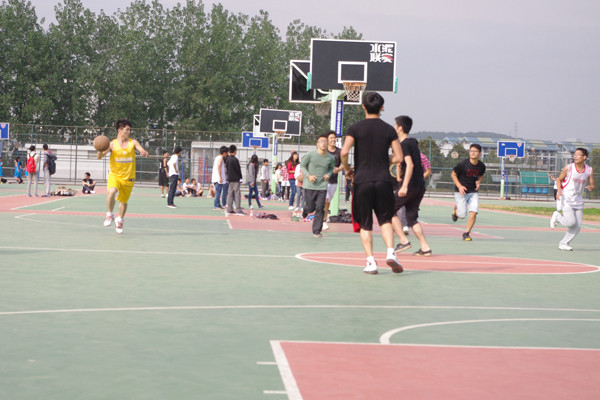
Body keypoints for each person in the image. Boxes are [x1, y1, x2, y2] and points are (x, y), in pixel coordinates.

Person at [340, 92, 404, 274]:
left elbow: (344, 152)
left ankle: (371, 262)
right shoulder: (389, 130)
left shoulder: (355, 128)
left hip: (362, 180)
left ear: (363, 107)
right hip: (383, 180)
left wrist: (347, 169)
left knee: (365, 223)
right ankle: (391, 253)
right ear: (382, 108)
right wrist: (384, 159)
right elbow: (399, 157)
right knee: (385, 219)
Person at [390, 116, 432, 256]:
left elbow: (410, 165)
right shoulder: (413, 143)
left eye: (395, 125)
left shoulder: (405, 144)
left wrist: (404, 186)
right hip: (420, 186)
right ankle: (425, 247)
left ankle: (403, 240)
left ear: (400, 128)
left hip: (411, 186)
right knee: (412, 218)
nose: (394, 128)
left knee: (388, 210)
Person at [97, 119, 148, 234]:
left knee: (123, 201)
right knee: (111, 192)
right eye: (127, 129)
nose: (129, 132)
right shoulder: (112, 144)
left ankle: (120, 220)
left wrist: (143, 152)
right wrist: (99, 150)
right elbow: (99, 157)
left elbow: (141, 149)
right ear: (119, 130)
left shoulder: (133, 142)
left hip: (128, 177)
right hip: (115, 175)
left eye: (130, 130)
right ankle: (109, 214)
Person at [550, 148, 595, 251]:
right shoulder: (569, 168)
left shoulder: (589, 170)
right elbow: (559, 179)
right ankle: (557, 216)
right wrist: (559, 191)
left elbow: (592, 184)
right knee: (571, 223)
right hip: (566, 198)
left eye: (578, 154)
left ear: (584, 157)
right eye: (574, 154)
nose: (575, 156)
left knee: (577, 227)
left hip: (578, 200)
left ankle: (563, 243)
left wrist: (591, 187)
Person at [300, 134, 335, 238]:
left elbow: (331, 168)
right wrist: (308, 175)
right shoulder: (310, 155)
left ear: (328, 143)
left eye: (325, 141)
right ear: (317, 144)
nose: (323, 143)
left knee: (320, 208)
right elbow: (302, 165)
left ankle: (316, 231)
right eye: (321, 141)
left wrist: (328, 174)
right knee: (311, 207)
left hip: (322, 186)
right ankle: (306, 210)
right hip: (309, 185)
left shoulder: (330, 157)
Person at [450, 143, 486, 241]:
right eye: (471, 151)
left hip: (473, 192)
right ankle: (455, 212)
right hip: (461, 192)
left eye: (475, 151)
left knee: (473, 213)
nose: (473, 153)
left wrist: (478, 182)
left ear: (480, 153)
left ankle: (466, 233)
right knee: (462, 215)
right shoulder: (462, 164)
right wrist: (460, 186)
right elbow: (453, 174)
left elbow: (480, 175)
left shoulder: (482, 166)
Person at [398, 152, 432, 234]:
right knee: (404, 206)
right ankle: (405, 225)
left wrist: (418, 178)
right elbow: (399, 166)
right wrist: (399, 177)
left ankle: (405, 225)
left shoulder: (421, 157)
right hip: (409, 184)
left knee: (406, 206)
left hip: (415, 185)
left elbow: (428, 171)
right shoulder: (405, 156)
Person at [322, 131, 342, 230]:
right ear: (327, 140)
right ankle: (322, 221)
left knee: (328, 202)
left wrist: (338, 169)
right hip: (323, 181)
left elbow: (344, 164)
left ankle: (324, 218)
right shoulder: (324, 150)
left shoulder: (339, 152)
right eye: (331, 138)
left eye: (334, 138)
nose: (333, 139)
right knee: (325, 200)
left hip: (334, 181)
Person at [225, 144, 244, 215]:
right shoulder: (235, 159)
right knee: (237, 194)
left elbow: (226, 169)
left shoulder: (227, 159)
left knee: (230, 194)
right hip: (236, 179)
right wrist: (240, 177)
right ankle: (238, 209)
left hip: (229, 179)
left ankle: (229, 209)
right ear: (235, 151)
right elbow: (238, 169)